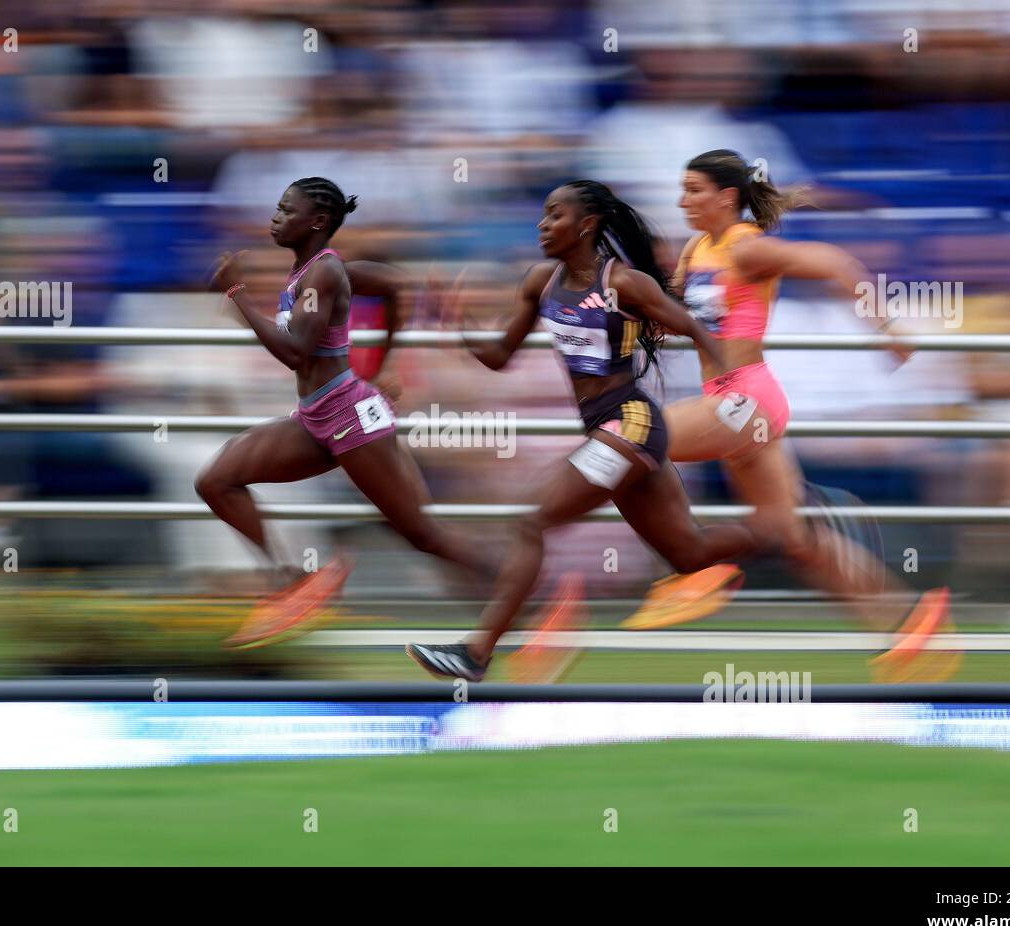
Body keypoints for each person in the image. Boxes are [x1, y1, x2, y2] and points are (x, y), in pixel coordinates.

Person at [406, 180, 753, 682]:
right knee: (689, 552)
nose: (543, 226)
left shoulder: (624, 284)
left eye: (555, 216)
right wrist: (460, 323)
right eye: (543, 216)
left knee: (530, 522)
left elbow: (697, 329)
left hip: (630, 424)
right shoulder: (541, 283)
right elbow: (500, 358)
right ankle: (787, 530)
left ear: (586, 225)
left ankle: (475, 653)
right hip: (608, 430)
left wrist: (734, 395)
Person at [653, 149, 954, 680]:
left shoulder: (747, 250)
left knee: (638, 438)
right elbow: (672, 314)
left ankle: (699, 566)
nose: (683, 200)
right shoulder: (697, 249)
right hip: (735, 404)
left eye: (694, 189)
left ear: (727, 197)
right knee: (796, 537)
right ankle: (909, 625)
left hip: (742, 400)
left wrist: (886, 330)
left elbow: (835, 263)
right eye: (681, 189)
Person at [197, 177, 490, 648]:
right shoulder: (318, 271)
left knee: (423, 535)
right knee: (216, 480)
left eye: (286, 210)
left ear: (316, 222)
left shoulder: (324, 274)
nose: (275, 217)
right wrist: (385, 362)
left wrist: (238, 299)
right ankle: (293, 585)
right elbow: (397, 286)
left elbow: (296, 352)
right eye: (277, 207)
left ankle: (525, 594)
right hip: (319, 416)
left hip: (352, 418)